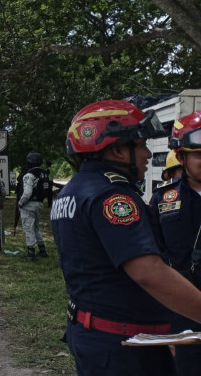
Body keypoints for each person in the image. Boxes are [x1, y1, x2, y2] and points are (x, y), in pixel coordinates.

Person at [52, 99, 201, 375]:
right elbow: (149, 272)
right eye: (141, 145)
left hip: (100, 335)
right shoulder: (113, 196)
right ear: (118, 150)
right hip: (123, 348)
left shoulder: (72, 191)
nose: (147, 154)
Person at [152, 111, 201, 374]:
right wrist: (166, 328)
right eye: (199, 154)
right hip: (183, 319)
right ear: (181, 156)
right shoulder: (161, 202)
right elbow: (152, 265)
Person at [18, 152, 50, 261]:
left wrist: (21, 202)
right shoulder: (43, 173)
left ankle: (31, 253)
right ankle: (42, 250)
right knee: (36, 227)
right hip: (40, 203)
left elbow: (27, 192)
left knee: (28, 228)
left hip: (29, 204)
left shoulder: (29, 175)